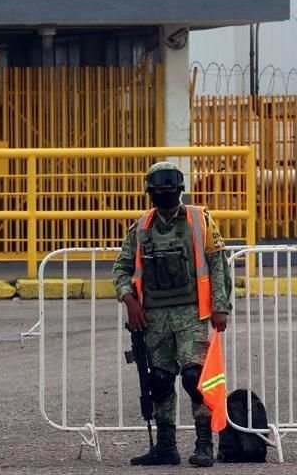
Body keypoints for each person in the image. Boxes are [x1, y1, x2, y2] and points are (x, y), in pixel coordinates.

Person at [113, 161, 233, 467]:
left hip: (191, 312)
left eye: (170, 188)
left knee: (194, 378)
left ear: (180, 190)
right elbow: (121, 268)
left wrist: (220, 306)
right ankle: (166, 447)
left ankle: (204, 444)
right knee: (160, 380)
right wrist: (129, 300)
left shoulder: (199, 220)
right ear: (150, 192)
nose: (165, 193)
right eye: (159, 189)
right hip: (153, 316)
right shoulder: (141, 227)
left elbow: (218, 264)